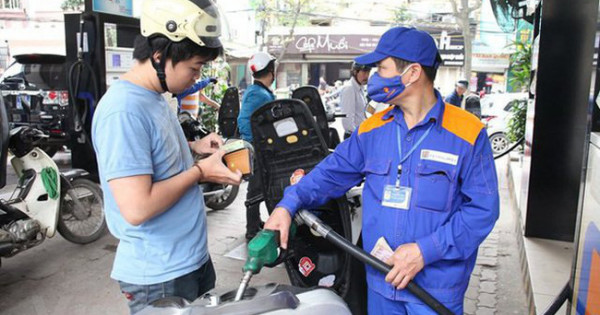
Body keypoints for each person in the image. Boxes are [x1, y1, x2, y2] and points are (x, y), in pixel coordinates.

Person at [264, 26, 499, 314]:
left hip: (435, 289)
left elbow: (482, 210)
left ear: (412, 73)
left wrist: (426, 251)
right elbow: (330, 174)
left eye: (382, 68)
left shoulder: (468, 134)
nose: (374, 77)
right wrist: (287, 205)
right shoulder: (373, 129)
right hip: (381, 281)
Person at [91, 0, 242, 313]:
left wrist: (193, 146)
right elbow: (137, 206)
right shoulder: (123, 111)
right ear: (160, 55)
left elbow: (151, 155)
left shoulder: (155, 97)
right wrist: (201, 172)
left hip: (189, 259)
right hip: (160, 275)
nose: (195, 77)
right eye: (194, 68)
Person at [237, 51, 277, 240]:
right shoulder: (257, 94)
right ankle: (251, 229)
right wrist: (255, 144)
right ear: (270, 70)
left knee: (261, 185)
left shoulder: (259, 91)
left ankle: (256, 221)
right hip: (257, 149)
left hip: (260, 147)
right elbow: (243, 120)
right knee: (255, 187)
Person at [340, 61, 371, 138]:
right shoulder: (349, 89)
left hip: (361, 134)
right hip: (354, 136)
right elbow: (347, 121)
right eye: (364, 73)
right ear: (355, 72)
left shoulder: (361, 88)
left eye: (368, 72)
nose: (366, 76)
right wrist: (358, 135)